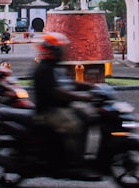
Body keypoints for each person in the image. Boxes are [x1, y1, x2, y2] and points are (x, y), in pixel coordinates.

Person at [31, 32, 97, 179]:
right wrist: (80, 97)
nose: (62, 52)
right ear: (51, 50)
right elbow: (57, 92)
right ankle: (73, 163)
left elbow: (69, 83)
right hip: (49, 111)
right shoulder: (44, 69)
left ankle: (81, 157)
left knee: (87, 116)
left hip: (61, 107)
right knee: (75, 126)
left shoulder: (55, 67)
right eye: (59, 49)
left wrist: (91, 86)